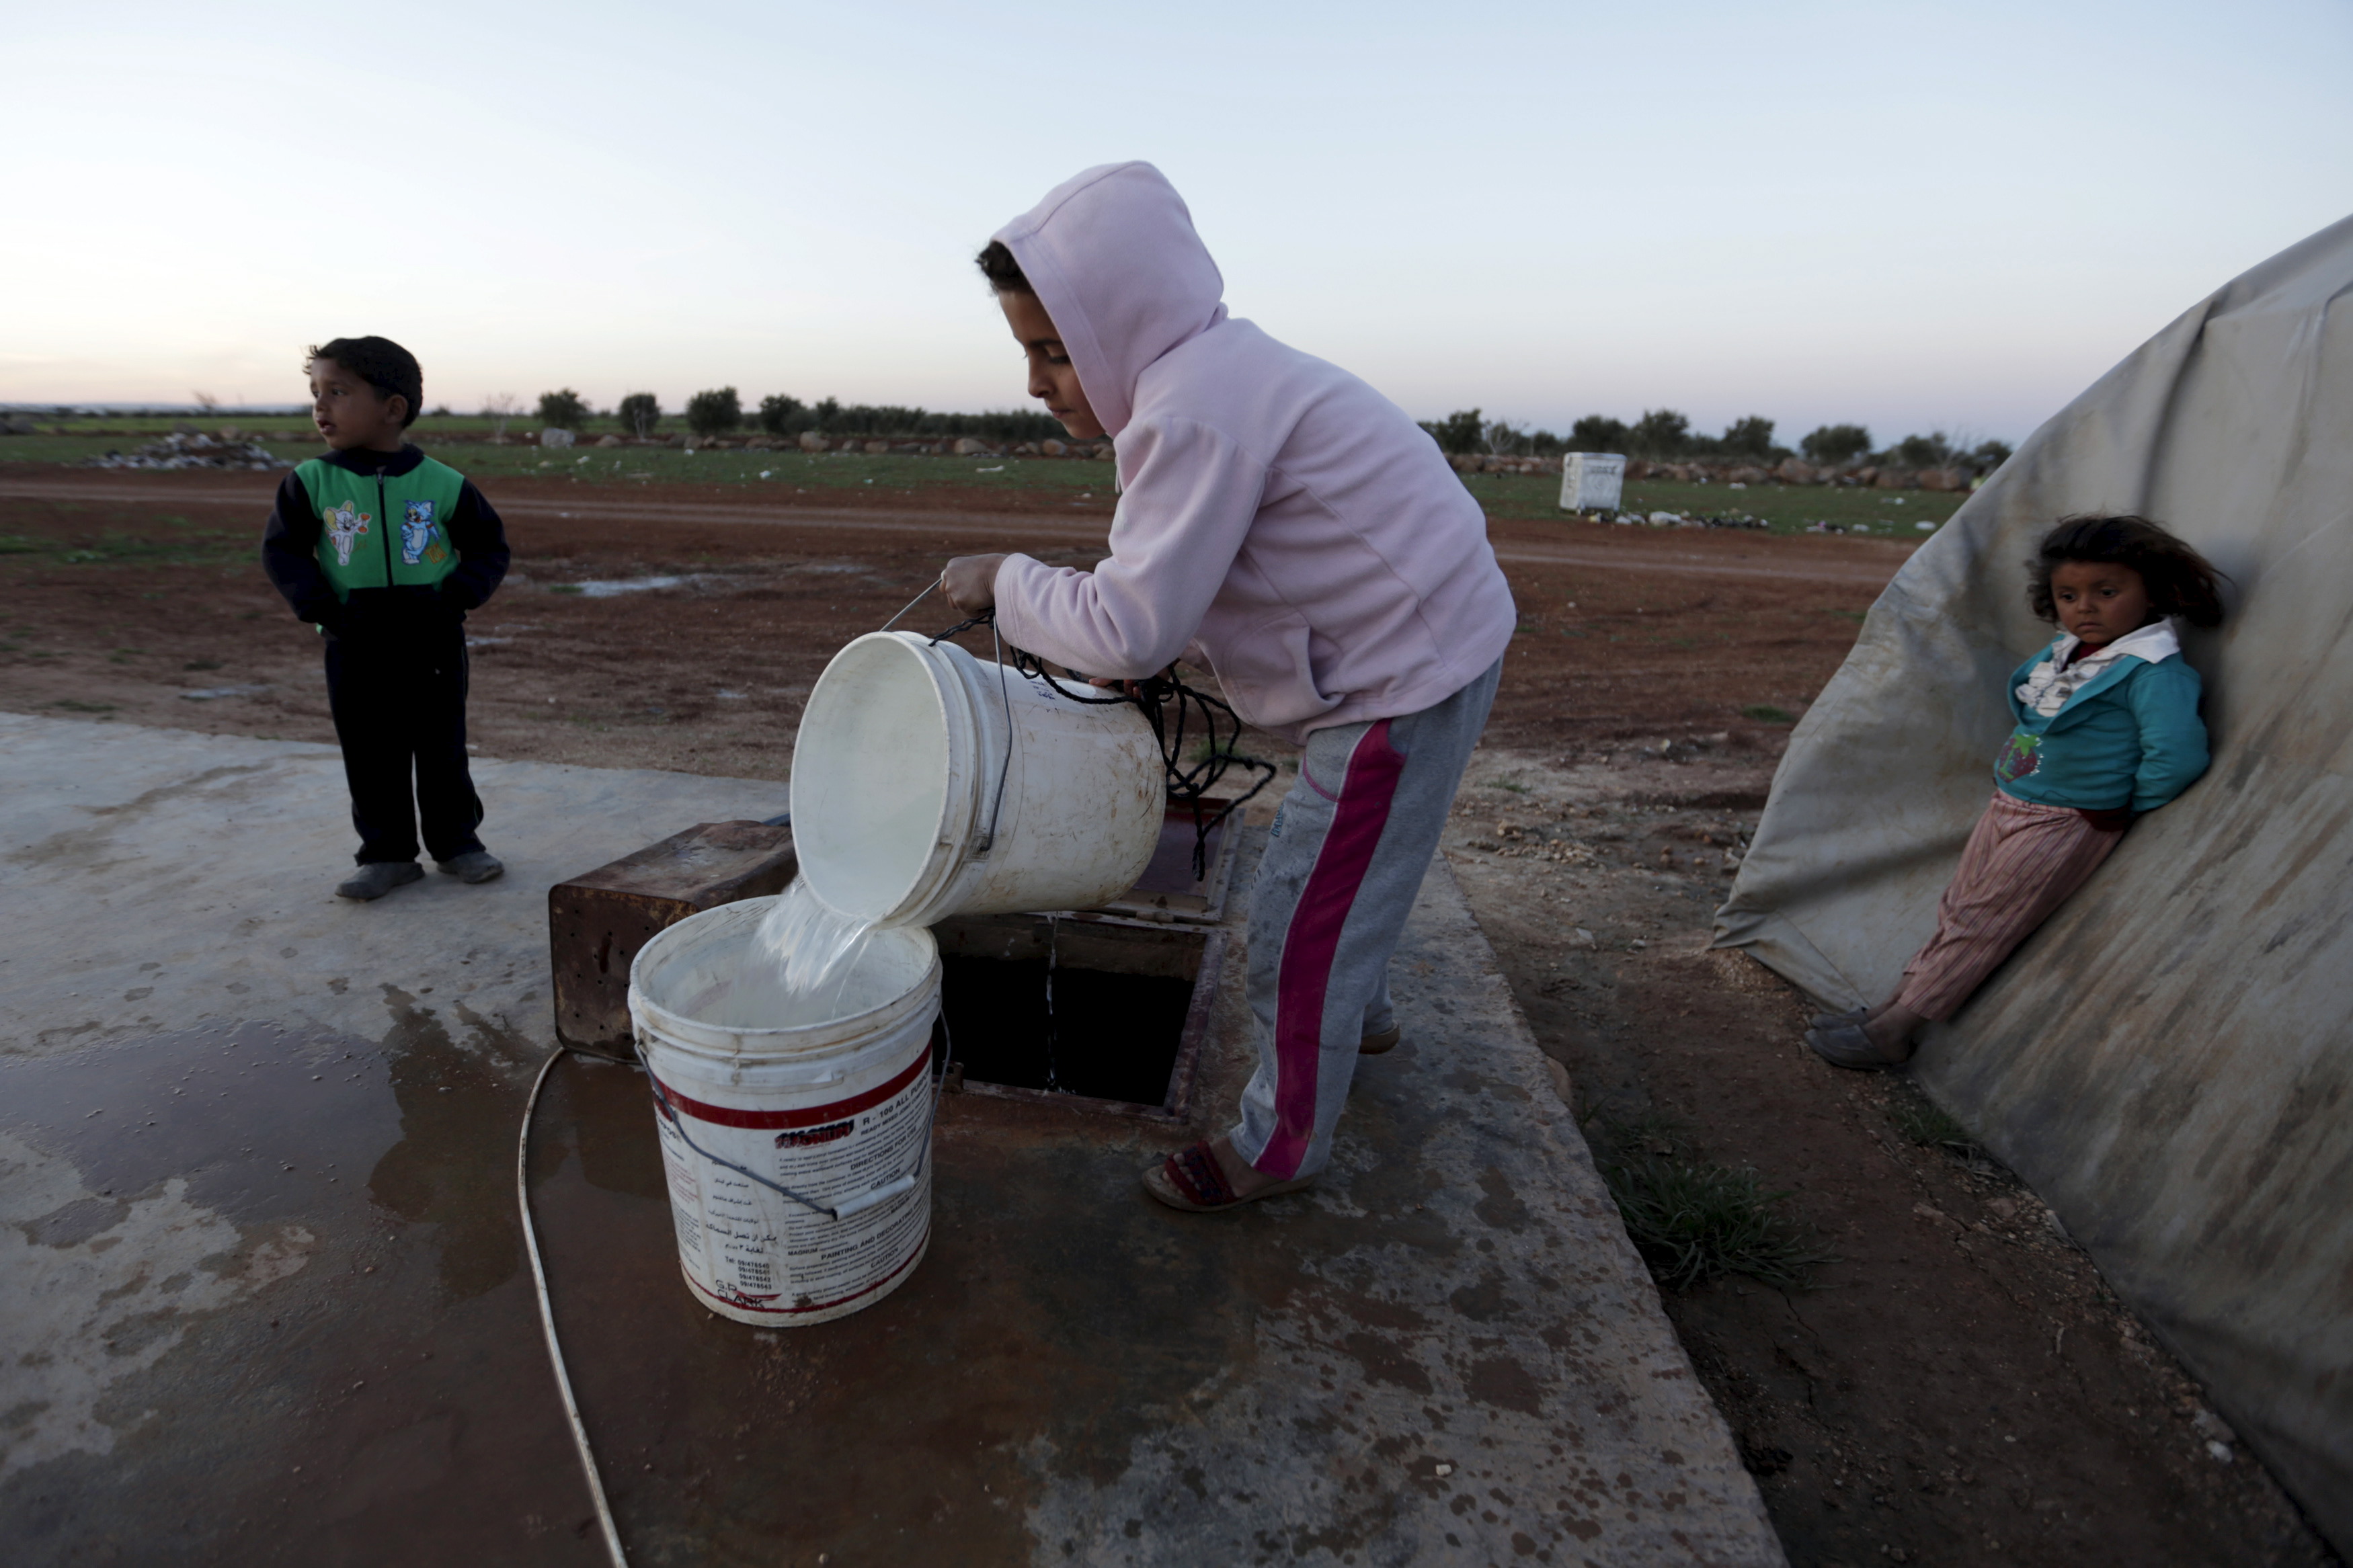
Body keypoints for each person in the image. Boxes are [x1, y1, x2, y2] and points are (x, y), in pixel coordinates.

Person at [937, 162, 1517, 1212]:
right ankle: (1360, 1006)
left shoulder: (1188, 414)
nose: (1036, 384)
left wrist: (1006, 581)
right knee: (1352, 874)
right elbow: (1196, 577)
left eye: (1055, 352)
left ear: (1122, 329)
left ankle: (1280, 1144)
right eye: (1028, 351)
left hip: (1402, 681)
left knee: (1298, 920)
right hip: (1429, 639)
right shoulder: (1219, 372)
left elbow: (1128, 630)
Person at [1807, 514, 2223, 1068]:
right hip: (2011, 803)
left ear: (2153, 592)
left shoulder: (2153, 671)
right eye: (2068, 595)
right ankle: (1888, 1008)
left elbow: (2176, 755)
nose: (2086, 607)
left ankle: (1897, 1031)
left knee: (1985, 922)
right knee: (1959, 908)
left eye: (2107, 591)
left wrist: (2117, 806)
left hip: (2067, 820)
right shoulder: (2070, 653)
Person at [262, 337, 510, 901]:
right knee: (370, 751)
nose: (321, 406)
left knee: (442, 745)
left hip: (434, 640)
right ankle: (387, 854)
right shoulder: (310, 482)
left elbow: (489, 548)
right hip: (355, 641)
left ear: (392, 408)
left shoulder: (444, 483)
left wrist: (457, 598)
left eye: (338, 392)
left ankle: (458, 844)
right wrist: (324, 610)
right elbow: (284, 553)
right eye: (315, 393)